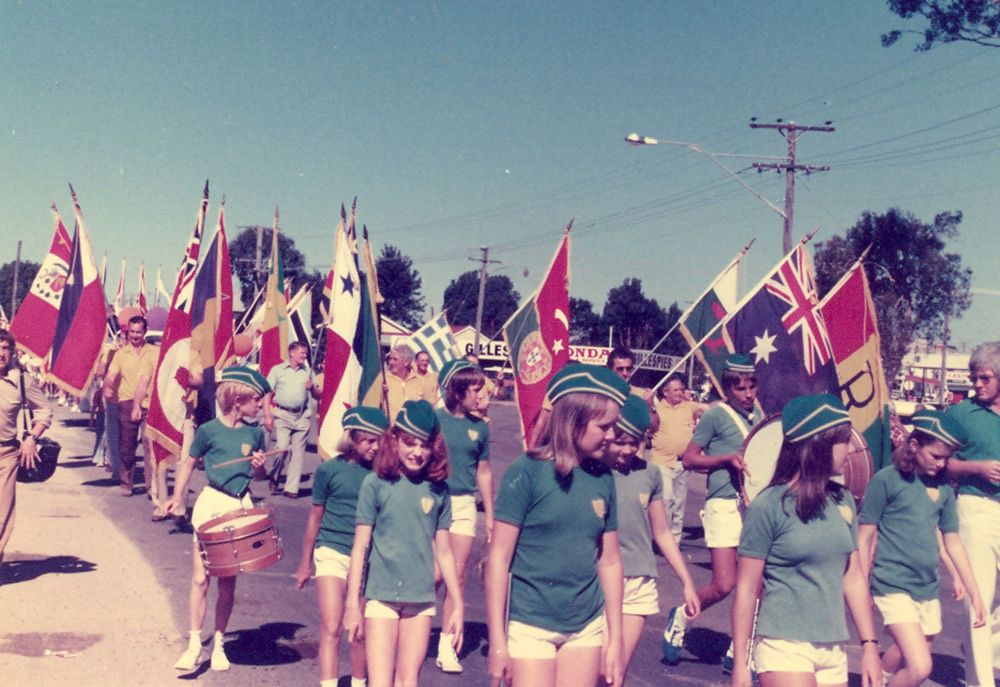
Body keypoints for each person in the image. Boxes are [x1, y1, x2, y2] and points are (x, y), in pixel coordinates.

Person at [486, 363, 629, 687]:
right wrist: (497, 640)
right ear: (572, 421)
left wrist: (615, 637)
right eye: (603, 426)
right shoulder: (526, 472)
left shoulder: (603, 478)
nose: (611, 435)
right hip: (530, 625)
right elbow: (498, 559)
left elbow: (609, 560)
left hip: (586, 626)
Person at [731, 393, 881, 687]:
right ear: (820, 444)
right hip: (782, 643)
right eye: (844, 439)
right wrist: (740, 664)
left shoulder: (845, 501)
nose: (851, 448)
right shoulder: (769, 506)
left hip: (833, 646)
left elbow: (852, 578)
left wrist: (870, 646)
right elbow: (747, 588)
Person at [858, 409, 986, 687]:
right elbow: (865, 536)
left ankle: (878, 679)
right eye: (936, 456)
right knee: (920, 667)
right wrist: (862, 582)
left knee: (906, 650)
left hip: (926, 587)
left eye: (946, 458)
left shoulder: (943, 488)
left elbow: (951, 539)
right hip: (892, 584)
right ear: (914, 446)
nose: (941, 464)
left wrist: (974, 592)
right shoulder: (887, 480)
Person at [343, 400, 463, 687]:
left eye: (424, 445)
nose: (417, 452)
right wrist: (352, 604)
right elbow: (360, 547)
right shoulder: (375, 484)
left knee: (408, 681)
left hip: (420, 599)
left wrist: (458, 602)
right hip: (381, 596)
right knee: (381, 682)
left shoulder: (438, 490)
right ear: (394, 440)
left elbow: (445, 553)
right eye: (410, 443)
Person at [166, 366, 270, 672]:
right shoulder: (208, 430)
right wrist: (176, 497)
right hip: (211, 504)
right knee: (201, 578)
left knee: (227, 584)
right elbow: (188, 464)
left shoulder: (256, 433)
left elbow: (259, 476)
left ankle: (220, 644)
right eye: (256, 401)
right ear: (238, 400)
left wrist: (260, 466)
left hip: (239, 508)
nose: (260, 406)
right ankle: (194, 645)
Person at [664, 353, 762, 669]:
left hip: (754, 508)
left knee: (756, 585)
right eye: (740, 389)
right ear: (727, 388)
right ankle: (680, 616)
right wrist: (725, 459)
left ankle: (739, 650)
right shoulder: (715, 416)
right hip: (722, 504)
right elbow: (689, 458)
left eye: (751, 387)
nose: (748, 395)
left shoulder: (759, 416)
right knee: (724, 584)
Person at [603, 393, 701, 681]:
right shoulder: (593, 472)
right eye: (620, 441)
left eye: (634, 442)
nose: (627, 449)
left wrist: (687, 581)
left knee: (616, 672)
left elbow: (662, 532)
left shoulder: (650, 474)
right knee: (597, 668)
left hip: (639, 581)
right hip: (599, 581)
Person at [296, 406, 389, 687]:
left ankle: (359, 682)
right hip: (331, 551)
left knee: (359, 630)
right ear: (352, 439)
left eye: (379, 441)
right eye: (368, 441)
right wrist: (304, 562)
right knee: (332, 626)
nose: (374, 447)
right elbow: (315, 518)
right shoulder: (328, 470)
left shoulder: (382, 474)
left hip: (367, 558)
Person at [433, 358, 493, 673]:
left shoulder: (479, 427)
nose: (480, 395)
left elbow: (483, 472)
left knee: (457, 574)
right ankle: (407, 618)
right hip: (433, 501)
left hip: (464, 505)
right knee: (436, 575)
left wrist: (491, 515)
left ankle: (446, 644)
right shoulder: (433, 418)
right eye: (475, 389)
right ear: (458, 391)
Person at [945, 341, 1000, 687]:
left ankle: (987, 647)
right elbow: (937, 463)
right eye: (974, 378)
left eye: (985, 378)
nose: (977, 385)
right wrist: (976, 468)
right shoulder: (961, 414)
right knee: (978, 598)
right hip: (975, 509)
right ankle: (981, 681)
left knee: (982, 620)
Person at [526, 346, 657, 449]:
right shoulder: (597, 392)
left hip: (630, 460)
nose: (625, 373)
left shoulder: (641, 395)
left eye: (628, 369)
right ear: (610, 369)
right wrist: (531, 452)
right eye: (620, 369)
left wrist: (651, 407)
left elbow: (654, 428)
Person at [0, 329, 53, 567]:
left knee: (2, 513)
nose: (1, 353)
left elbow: (44, 409)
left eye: (5, 348)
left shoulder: (21, 380)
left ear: (12, 352)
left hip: (6, 455)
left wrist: (32, 437)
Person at [103, 316, 158, 499]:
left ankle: (152, 487)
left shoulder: (154, 352)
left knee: (150, 445)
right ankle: (127, 482)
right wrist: (107, 386)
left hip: (149, 404)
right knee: (127, 446)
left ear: (145, 332)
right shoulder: (121, 354)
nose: (135, 336)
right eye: (132, 332)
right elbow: (111, 375)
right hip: (126, 402)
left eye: (138, 332)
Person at [649, 374, 705, 542]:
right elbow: (650, 424)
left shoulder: (688, 406)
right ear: (665, 392)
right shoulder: (658, 409)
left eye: (682, 389)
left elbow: (709, 407)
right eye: (676, 390)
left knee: (679, 504)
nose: (680, 392)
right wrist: (649, 404)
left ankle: (675, 541)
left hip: (683, 463)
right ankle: (663, 539)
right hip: (662, 462)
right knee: (666, 499)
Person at [264, 341, 320, 498]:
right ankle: (274, 476)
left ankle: (291, 489)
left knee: (298, 453)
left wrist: (312, 388)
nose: (305, 355)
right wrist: (268, 415)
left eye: (306, 353)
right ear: (291, 353)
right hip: (282, 415)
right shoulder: (278, 370)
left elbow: (318, 395)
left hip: (302, 417)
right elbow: (267, 393)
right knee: (281, 448)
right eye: (302, 352)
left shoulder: (308, 372)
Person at [384, 345, 431, 420]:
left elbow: (430, 412)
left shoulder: (422, 382)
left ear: (406, 362)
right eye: (390, 359)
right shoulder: (383, 380)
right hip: (391, 431)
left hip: (415, 431)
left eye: (395, 359)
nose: (390, 362)